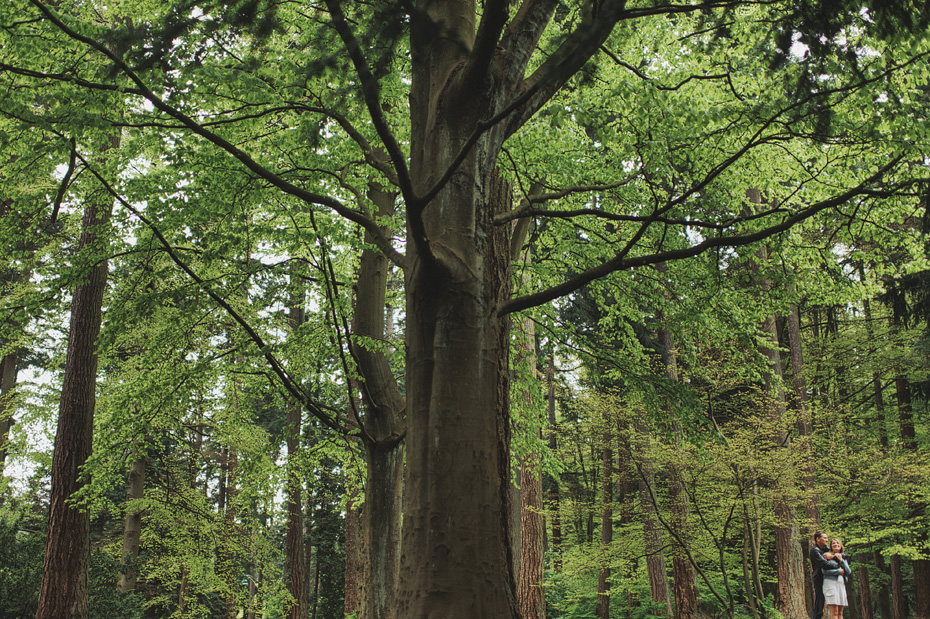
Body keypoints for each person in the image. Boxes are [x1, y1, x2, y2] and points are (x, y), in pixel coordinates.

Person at [822, 538, 852, 619]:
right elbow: (824, 571)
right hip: (830, 583)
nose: (836, 545)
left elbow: (848, 571)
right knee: (834, 612)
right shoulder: (826, 556)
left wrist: (841, 560)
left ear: (841, 545)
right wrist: (838, 571)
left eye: (838, 543)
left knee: (840, 613)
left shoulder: (843, 557)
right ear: (831, 546)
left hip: (841, 584)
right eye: (834, 543)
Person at [809, 532, 831, 619]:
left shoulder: (828, 548)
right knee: (820, 602)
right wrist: (837, 566)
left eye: (827, 538)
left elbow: (840, 553)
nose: (827, 540)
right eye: (825, 538)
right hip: (819, 579)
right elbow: (823, 563)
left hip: (830, 578)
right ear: (818, 539)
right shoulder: (814, 550)